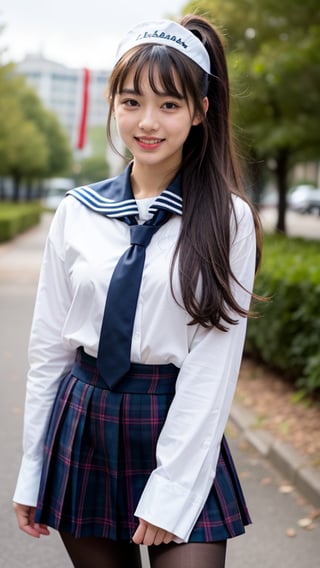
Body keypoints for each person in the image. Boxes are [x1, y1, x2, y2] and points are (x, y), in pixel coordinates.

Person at [13, 14, 262, 568]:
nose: (147, 122)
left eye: (169, 105)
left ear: (200, 112)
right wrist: (32, 468)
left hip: (175, 422)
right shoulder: (77, 211)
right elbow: (48, 351)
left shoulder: (228, 219)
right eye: (131, 102)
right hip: (84, 424)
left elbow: (213, 365)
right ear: (113, 105)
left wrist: (172, 487)